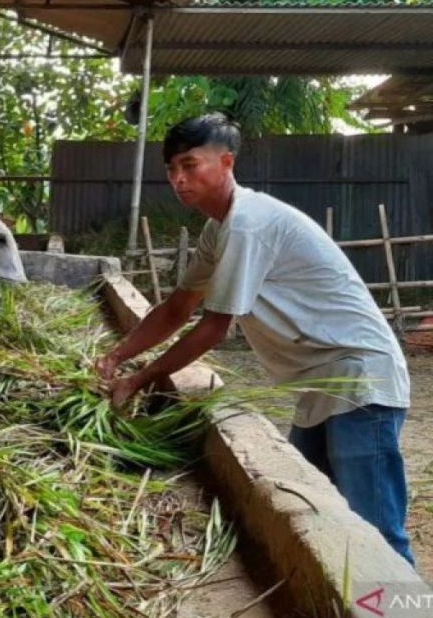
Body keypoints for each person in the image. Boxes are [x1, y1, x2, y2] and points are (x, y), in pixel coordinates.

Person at [96, 113, 414, 565]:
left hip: (361, 379)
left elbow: (212, 328)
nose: (179, 179)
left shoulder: (249, 224)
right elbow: (175, 310)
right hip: (323, 385)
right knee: (315, 514)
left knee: (378, 532)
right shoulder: (218, 229)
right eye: (171, 169)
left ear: (226, 162)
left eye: (190, 165)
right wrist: (117, 356)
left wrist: (141, 377)